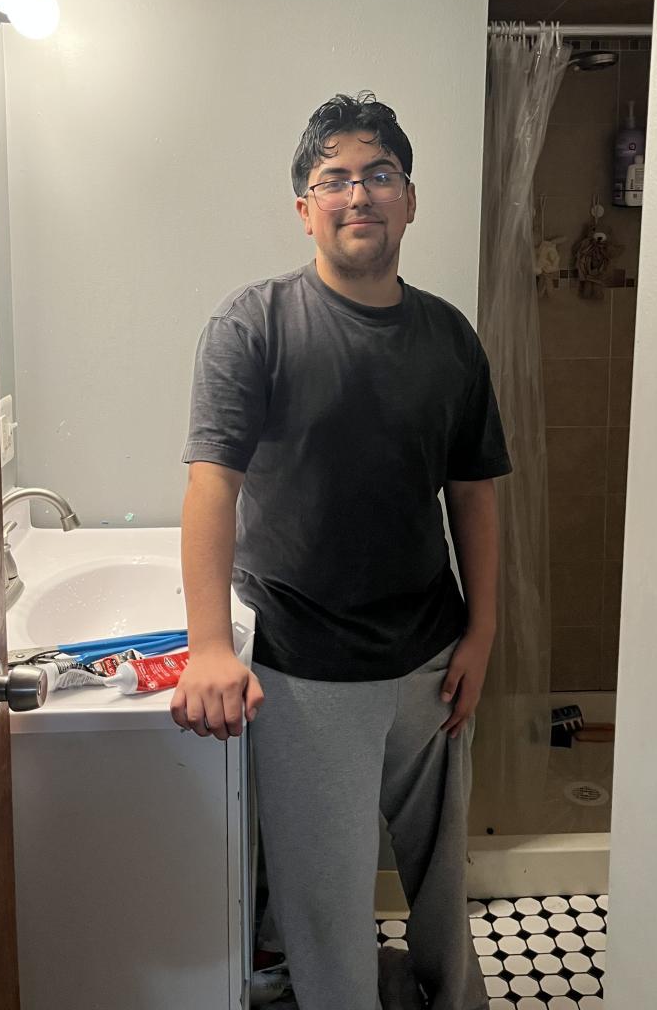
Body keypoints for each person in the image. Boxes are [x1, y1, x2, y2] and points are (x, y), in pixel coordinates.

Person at [170, 91, 511, 1010]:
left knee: (443, 877)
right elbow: (211, 486)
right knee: (326, 905)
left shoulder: (450, 337)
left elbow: (474, 493)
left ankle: (450, 998)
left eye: (380, 175)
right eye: (336, 179)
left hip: (431, 659)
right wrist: (209, 646)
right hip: (305, 669)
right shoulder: (254, 324)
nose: (359, 194)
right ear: (306, 207)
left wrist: (481, 634)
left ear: (410, 199)